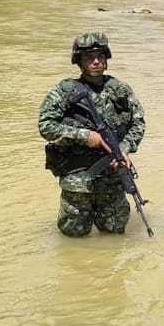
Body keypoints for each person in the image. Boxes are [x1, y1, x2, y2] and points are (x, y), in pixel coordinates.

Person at [38, 32, 146, 237]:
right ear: (79, 62)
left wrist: (123, 149)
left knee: (114, 235)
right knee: (74, 241)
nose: (96, 61)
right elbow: (45, 126)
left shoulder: (120, 90)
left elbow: (138, 123)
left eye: (100, 56)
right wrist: (84, 136)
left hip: (113, 179)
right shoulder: (64, 91)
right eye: (89, 58)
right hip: (78, 181)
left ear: (106, 59)